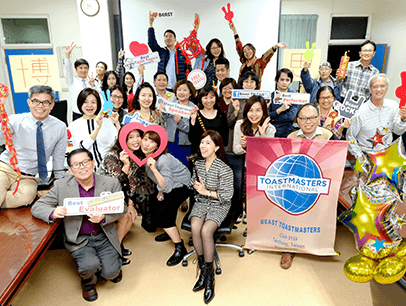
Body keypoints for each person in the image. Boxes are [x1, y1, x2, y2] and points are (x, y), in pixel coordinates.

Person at [31, 148, 125, 302]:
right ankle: (88, 282)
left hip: (104, 236)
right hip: (79, 238)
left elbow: (123, 208)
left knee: (111, 273)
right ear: (70, 169)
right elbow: (38, 206)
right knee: (88, 267)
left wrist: (104, 217)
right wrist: (53, 212)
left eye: (85, 162)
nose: (82, 167)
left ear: (93, 163)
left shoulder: (111, 183)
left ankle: (111, 267)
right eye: (76, 165)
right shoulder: (61, 186)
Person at [282, 103, 337, 269]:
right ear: (298, 121)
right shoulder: (290, 137)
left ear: (318, 119)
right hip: (296, 185)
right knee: (289, 205)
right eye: (304, 118)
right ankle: (289, 248)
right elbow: (284, 165)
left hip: (321, 184)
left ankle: (318, 244)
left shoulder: (329, 136)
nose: (308, 121)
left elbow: (336, 161)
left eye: (312, 117)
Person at [0, 85, 66, 209]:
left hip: (28, 176)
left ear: (52, 105)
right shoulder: (15, 120)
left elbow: (59, 156)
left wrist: (59, 182)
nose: (40, 106)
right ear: (29, 102)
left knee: (26, 198)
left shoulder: (60, 127)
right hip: (5, 168)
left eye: (46, 102)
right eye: (36, 101)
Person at [97, 128, 156, 261]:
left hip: (121, 197)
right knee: (124, 216)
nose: (136, 140)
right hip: (103, 196)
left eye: (138, 136)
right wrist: (126, 165)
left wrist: (130, 204)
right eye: (131, 137)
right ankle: (114, 250)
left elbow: (133, 184)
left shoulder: (137, 157)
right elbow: (115, 184)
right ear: (123, 139)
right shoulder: (112, 156)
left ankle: (117, 244)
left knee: (131, 214)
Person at [190, 130, 234, 304]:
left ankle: (210, 276)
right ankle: (202, 269)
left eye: (208, 143)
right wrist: (194, 184)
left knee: (206, 231)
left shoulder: (225, 168)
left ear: (216, 147)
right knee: (195, 227)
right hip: (201, 201)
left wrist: (206, 191)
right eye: (202, 142)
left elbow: (227, 195)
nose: (203, 146)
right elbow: (194, 183)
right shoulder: (198, 164)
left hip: (219, 203)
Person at [142, 131, 191, 266]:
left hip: (183, 185)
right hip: (168, 185)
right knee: (159, 206)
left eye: (152, 141)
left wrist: (155, 171)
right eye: (145, 139)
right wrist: (160, 190)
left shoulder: (162, 159)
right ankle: (170, 231)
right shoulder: (144, 156)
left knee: (164, 213)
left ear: (158, 146)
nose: (146, 143)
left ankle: (180, 247)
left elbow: (167, 187)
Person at [233, 96, 276, 227]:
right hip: (245, 167)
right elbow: (235, 149)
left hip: (262, 169)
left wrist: (263, 137)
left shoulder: (270, 129)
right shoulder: (239, 125)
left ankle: (254, 218)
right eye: (250, 110)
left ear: (264, 112)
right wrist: (243, 146)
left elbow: (269, 156)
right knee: (243, 191)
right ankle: (242, 210)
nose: (254, 114)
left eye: (258, 110)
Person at [347, 74, 406, 159]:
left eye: (382, 86)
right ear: (370, 90)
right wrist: (359, 155)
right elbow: (350, 137)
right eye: (375, 87)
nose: (379, 89)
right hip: (366, 155)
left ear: (386, 89)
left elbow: (398, 131)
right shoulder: (360, 111)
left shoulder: (393, 106)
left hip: (387, 155)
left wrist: (402, 120)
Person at [68, 88, 119, 168]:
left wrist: (117, 123)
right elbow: (83, 147)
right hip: (86, 169)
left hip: (109, 168)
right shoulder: (74, 125)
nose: (89, 105)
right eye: (85, 102)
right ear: (80, 104)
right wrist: (97, 127)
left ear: (98, 104)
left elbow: (118, 142)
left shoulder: (107, 122)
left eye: (93, 102)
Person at [229, 22, 287, 88]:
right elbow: (239, 46)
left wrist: (275, 46)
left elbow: (266, 56)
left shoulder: (259, 63)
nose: (247, 52)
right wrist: (234, 30)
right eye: (245, 51)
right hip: (240, 89)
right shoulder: (244, 62)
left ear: (254, 50)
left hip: (254, 90)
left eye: (249, 49)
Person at [148, 11, 195, 90]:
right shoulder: (161, 52)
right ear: (164, 40)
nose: (168, 38)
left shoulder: (183, 54)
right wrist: (150, 25)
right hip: (164, 88)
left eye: (170, 36)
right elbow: (151, 43)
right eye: (166, 36)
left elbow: (189, 70)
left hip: (179, 89)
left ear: (175, 39)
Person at [160, 79, 197, 166]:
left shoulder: (193, 108)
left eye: (185, 90)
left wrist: (180, 122)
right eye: (179, 90)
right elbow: (165, 121)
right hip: (171, 142)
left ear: (190, 93)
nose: (181, 92)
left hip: (185, 144)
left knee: (183, 167)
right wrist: (164, 108)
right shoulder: (171, 105)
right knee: (170, 166)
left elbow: (193, 130)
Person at [189, 85, 229, 155]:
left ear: (216, 98)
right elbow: (192, 139)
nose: (209, 101)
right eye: (205, 98)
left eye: (211, 97)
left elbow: (225, 140)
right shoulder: (196, 115)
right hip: (199, 155)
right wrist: (193, 121)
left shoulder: (221, 115)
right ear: (200, 99)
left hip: (216, 155)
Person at [64, 42, 97, 120]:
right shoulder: (72, 81)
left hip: (91, 113)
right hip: (78, 114)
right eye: (80, 68)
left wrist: (94, 86)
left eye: (85, 68)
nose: (83, 70)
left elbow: (98, 96)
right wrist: (67, 56)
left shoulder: (92, 81)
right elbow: (68, 70)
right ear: (76, 69)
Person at [268, 68, 299, 138]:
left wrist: (273, 118)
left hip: (287, 132)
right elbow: (267, 116)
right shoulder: (271, 96)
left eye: (287, 80)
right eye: (282, 80)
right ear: (276, 80)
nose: (284, 82)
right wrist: (280, 110)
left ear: (291, 81)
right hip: (271, 131)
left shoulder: (294, 96)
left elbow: (290, 117)